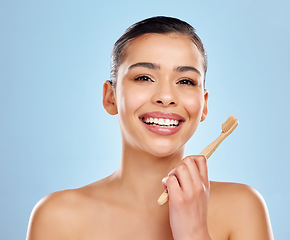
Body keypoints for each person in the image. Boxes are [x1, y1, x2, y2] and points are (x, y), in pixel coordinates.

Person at [26, 16, 274, 240]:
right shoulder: (58, 218)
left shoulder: (243, 208)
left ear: (204, 105)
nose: (166, 96)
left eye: (185, 81)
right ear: (110, 97)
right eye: (144, 78)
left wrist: (194, 232)